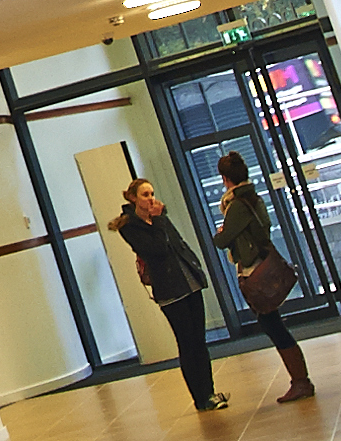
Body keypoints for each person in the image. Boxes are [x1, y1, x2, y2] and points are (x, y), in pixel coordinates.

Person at [111, 175, 227, 411]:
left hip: (189, 282)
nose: (151, 199)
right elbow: (158, 249)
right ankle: (200, 398)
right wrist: (158, 220)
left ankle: (210, 391)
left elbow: (177, 242)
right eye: (145, 195)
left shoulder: (160, 217)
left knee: (199, 340)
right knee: (187, 342)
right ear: (133, 198)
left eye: (152, 194)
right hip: (170, 290)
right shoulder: (130, 226)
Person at [213, 149, 316, 403]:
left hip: (253, 270)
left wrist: (221, 232)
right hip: (262, 263)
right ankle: (300, 380)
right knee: (274, 324)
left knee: (273, 326)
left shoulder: (237, 205)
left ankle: (301, 381)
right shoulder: (254, 198)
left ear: (225, 178)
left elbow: (223, 240)